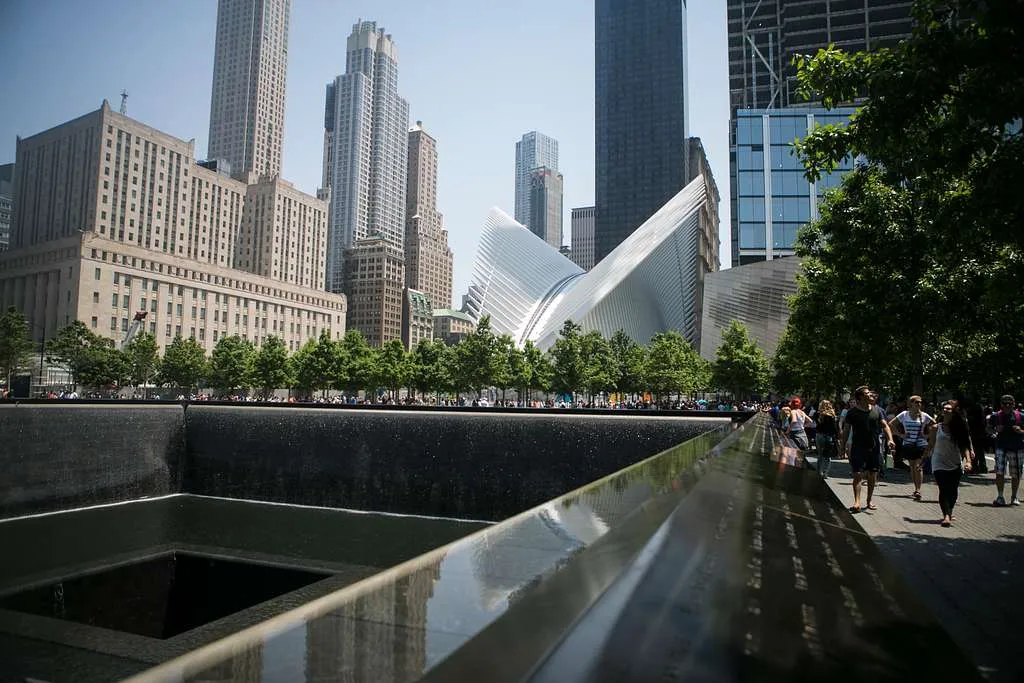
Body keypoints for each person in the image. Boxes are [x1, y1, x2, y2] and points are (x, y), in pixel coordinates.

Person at [840, 385, 895, 513]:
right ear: (860, 397)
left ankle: (869, 500)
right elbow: (847, 430)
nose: (870, 394)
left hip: (874, 447)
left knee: (872, 474)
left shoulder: (877, 410)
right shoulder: (852, 412)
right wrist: (842, 447)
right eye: (866, 393)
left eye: (870, 393)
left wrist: (890, 439)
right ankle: (857, 502)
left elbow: (885, 426)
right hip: (858, 447)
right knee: (858, 474)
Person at [926, 401, 972, 527]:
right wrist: (923, 459)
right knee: (943, 489)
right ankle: (946, 515)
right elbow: (930, 445)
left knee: (953, 490)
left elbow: (964, 446)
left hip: (955, 462)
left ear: (954, 412)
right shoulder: (936, 428)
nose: (945, 410)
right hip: (938, 462)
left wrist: (968, 461)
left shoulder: (959, 428)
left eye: (948, 409)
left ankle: (949, 512)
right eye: (944, 408)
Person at [890, 396, 934, 501]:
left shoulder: (924, 416)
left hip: (921, 445)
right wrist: (900, 435)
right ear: (911, 403)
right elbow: (891, 424)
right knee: (912, 466)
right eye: (916, 402)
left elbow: (935, 425)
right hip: (908, 444)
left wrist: (927, 435)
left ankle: (918, 490)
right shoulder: (904, 415)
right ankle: (915, 488)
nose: (918, 404)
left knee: (918, 466)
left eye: (920, 402)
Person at [989, 394, 1023, 506]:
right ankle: (1000, 496)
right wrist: (995, 429)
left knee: (1016, 473)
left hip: (1017, 447)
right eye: (1005, 403)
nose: (1007, 405)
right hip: (1001, 446)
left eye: (1010, 403)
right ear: (1001, 404)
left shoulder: (1021, 416)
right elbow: (988, 429)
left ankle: (1014, 497)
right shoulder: (995, 416)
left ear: (1014, 404)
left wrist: (1021, 431)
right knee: (1000, 472)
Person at [814, 400, 839, 479]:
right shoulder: (832, 415)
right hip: (829, 436)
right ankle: (825, 473)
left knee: (820, 455)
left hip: (819, 435)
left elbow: (817, 425)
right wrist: (837, 437)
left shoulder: (817, 414)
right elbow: (834, 428)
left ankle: (819, 472)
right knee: (827, 456)